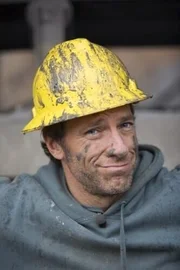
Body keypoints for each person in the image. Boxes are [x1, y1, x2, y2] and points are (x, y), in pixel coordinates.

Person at [0, 38, 179, 270]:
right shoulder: (13, 214)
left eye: (125, 125)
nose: (120, 148)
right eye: (94, 131)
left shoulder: (173, 199)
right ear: (54, 145)